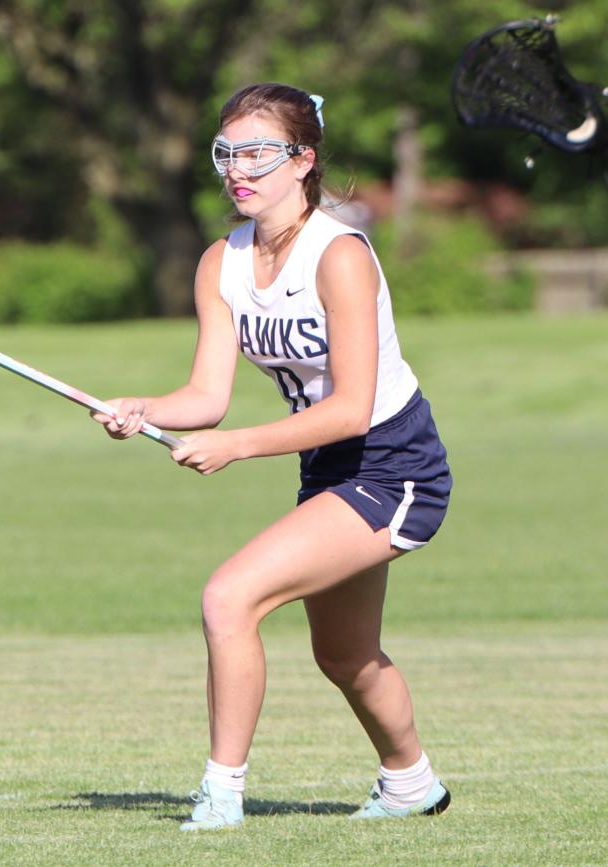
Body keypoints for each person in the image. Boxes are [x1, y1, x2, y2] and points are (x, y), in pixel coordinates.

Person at [94, 83, 453, 831]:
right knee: (345, 654)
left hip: (394, 465)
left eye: (258, 152)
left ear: (303, 160)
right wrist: (144, 408)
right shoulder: (220, 262)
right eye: (227, 153)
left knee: (230, 597)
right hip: (328, 468)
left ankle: (221, 793)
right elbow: (205, 393)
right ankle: (411, 781)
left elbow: (351, 407)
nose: (239, 168)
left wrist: (237, 447)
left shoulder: (340, 254)